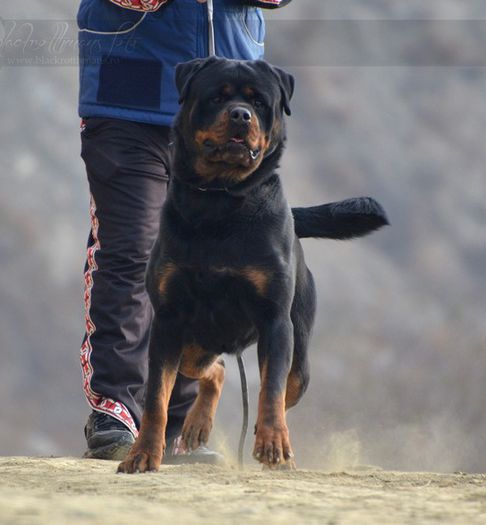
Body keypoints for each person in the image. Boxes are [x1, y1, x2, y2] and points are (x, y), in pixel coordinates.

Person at [77, 0, 292, 462]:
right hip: (131, 94)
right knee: (133, 251)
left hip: (229, 93)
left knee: (207, 268)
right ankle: (116, 413)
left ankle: (173, 429)